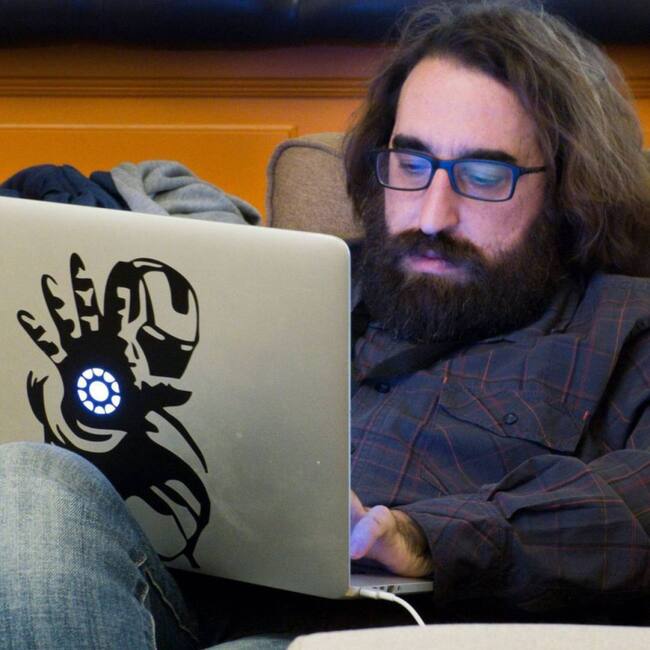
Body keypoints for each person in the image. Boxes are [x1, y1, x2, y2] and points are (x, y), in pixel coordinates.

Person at [2, 2, 650, 648]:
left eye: (484, 177)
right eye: (411, 164)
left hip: (389, 633)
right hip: (174, 612)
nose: (432, 216)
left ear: (569, 186)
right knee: (30, 483)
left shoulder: (622, 325)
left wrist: (426, 537)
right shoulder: (305, 279)